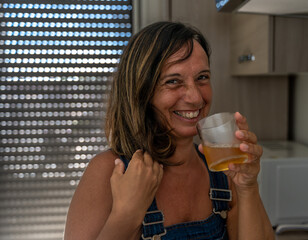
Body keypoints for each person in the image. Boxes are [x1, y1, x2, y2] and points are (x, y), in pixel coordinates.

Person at [64, 21, 274, 240]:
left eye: (202, 77)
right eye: (173, 81)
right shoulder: (108, 171)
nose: (196, 98)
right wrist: (127, 214)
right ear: (141, 91)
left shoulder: (223, 169)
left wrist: (248, 188)